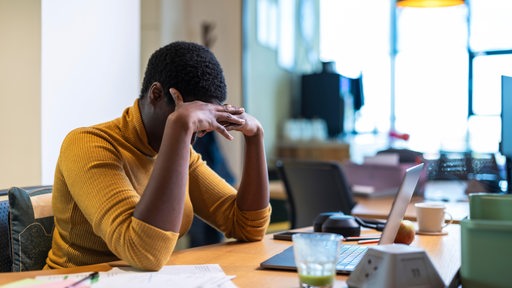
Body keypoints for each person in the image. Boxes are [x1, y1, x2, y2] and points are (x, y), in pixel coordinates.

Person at [44, 41, 271, 271]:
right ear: (156, 94)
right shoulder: (88, 145)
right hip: (77, 282)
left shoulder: (181, 152)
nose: (195, 137)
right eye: (192, 122)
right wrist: (180, 124)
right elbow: (144, 252)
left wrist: (255, 137)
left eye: (201, 126)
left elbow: (247, 227)